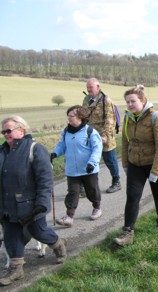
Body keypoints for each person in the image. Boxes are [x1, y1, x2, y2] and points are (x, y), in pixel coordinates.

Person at [0, 116, 67, 286]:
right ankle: (16, 269)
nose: (5, 134)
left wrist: (42, 204)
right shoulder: (1, 152)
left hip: (30, 206)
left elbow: (45, 180)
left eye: (9, 130)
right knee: (11, 236)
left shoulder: (35, 149)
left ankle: (58, 244)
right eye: (3, 131)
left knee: (40, 232)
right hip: (6, 206)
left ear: (21, 130)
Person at [113, 84, 158, 246]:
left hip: (155, 163)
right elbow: (125, 143)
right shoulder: (128, 118)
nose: (129, 105)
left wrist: (156, 170)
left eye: (133, 101)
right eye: (127, 102)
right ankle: (127, 233)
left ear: (143, 101)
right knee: (132, 197)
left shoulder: (156, 118)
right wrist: (125, 164)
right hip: (135, 164)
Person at [51, 106, 103, 227]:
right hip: (72, 170)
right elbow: (61, 146)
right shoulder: (66, 132)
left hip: (88, 169)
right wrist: (54, 153)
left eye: (71, 116)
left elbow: (97, 149)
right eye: (68, 116)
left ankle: (97, 208)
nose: (69, 118)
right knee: (73, 192)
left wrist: (92, 163)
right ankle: (69, 217)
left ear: (80, 117)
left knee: (92, 190)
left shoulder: (90, 131)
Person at [82, 78, 122, 193]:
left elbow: (110, 120)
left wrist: (105, 136)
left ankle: (116, 182)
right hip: (90, 135)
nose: (89, 89)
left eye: (91, 87)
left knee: (110, 160)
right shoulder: (86, 99)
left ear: (98, 87)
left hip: (104, 135)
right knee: (90, 160)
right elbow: (83, 116)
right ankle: (90, 186)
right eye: (87, 87)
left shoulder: (106, 100)